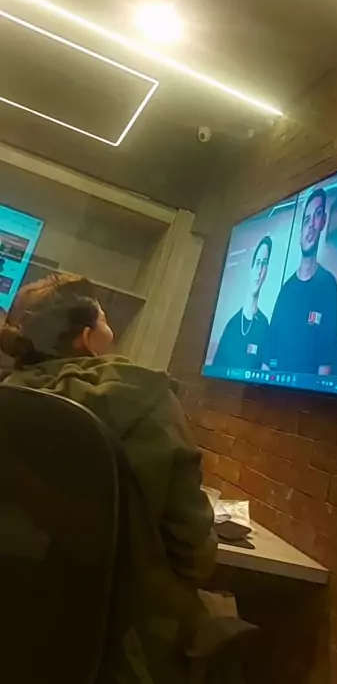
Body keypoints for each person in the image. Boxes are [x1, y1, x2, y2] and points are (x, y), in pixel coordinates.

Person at [0, 273, 223, 684]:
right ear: (87, 338)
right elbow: (193, 555)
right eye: (104, 319)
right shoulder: (147, 398)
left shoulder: (10, 397)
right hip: (124, 652)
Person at [263, 188, 337, 376]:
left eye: (317, 215)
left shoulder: (328, 285)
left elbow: (326, 363)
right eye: (306, 220)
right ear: (300, 234)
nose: (311, 225)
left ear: (323, 222)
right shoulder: (286, 290)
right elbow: (267, 358)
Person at [214, 236, 272, 371]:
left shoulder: (264, 325)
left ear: (266, 272)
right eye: (257, 263)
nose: (259, 270)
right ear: (250, 270)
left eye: (264, 264)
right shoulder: (232, 325)